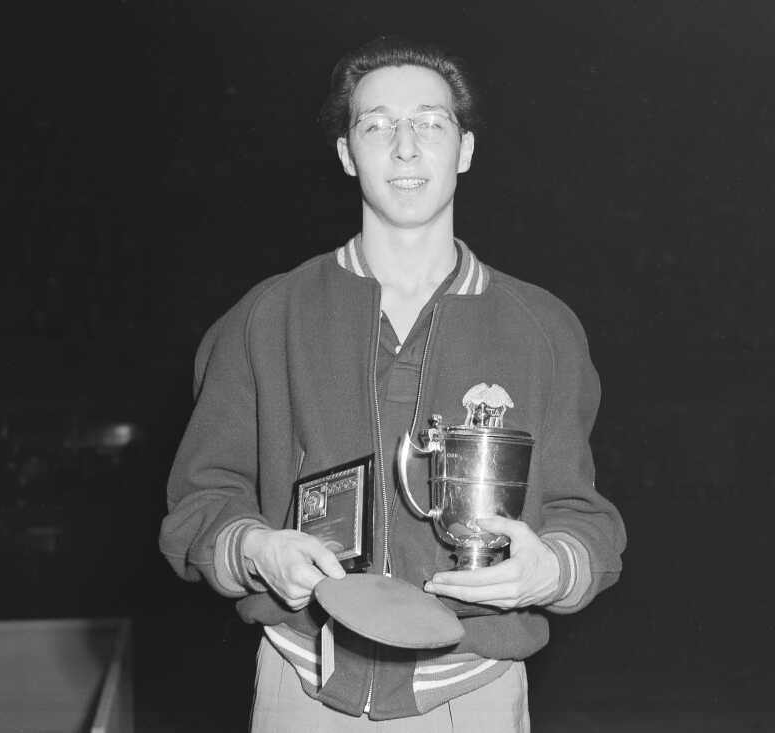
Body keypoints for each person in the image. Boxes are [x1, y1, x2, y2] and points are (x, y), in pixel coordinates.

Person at [159, 35, 626, 731]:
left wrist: (551, 570)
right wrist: (253, 548)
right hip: (302, 682)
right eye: (376, 125)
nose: (405, 147)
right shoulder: (267, 318)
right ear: (347, 154)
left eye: (430, 123)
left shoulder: (541, 328)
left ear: (464, 149)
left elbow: (583, 517)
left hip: (474, 692)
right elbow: (199, 504)